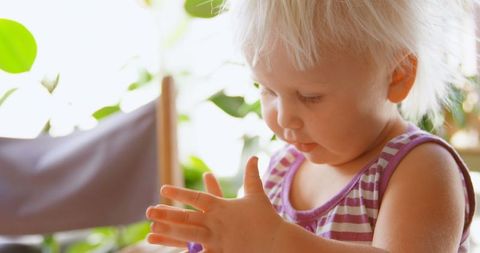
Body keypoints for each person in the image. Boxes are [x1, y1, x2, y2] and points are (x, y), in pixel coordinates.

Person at [145, 0, 477, 252]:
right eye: (268, 90)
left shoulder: (420, 168)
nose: (284, 117)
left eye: (310, 96)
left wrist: (276, 241)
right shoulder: (281, 170)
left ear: (396, 76)